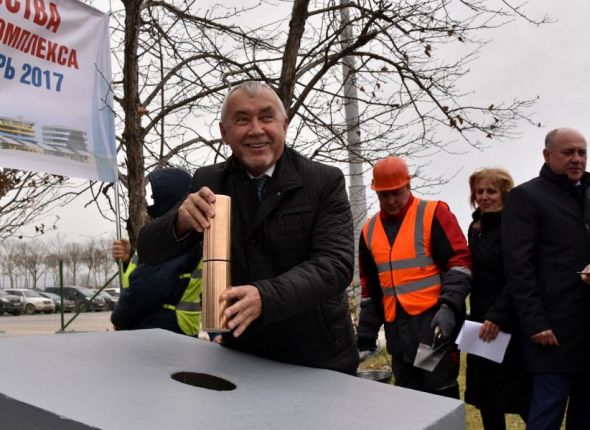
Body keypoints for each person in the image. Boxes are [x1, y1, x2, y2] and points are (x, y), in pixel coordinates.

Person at [136, 81, 358, 374]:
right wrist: (180, 222)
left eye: (266, 117)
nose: (256, 130)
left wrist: (265, 296)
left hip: (319, 358)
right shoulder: (209, 182)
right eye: (242, 120)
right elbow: (148, 250)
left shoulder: (323, 181)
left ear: (284, 125)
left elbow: (335, 265)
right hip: (242, 357)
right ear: (224, 133)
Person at [356, 156, 471, 398]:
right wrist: (366, 334)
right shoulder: (369, 230)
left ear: (408, 185)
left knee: (438, 393)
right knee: (409, 398)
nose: (391, 200)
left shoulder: (433, 213)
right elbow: (371, 288)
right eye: (384, 195)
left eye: (396, 193)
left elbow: (460, 264)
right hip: (398, 331)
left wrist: (449, 307)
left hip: (432, 327)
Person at [502, 127, 590, 429]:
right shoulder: (526, 197)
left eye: (582, 152)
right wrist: (536, 323)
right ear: (547, 155)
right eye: (568, 152)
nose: (577, 159)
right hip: (553, 333)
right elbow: (519, 267)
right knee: (546, 417)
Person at [464, 168, 530, 429]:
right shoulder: (474, 229)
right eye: (479, 191)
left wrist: (498, 316)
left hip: (512, 323)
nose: (484, 196)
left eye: (491, 191)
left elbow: (518, 276)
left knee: (523, 397)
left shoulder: (515, 227)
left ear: (504, 194)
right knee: (486, 399)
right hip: (481, 323)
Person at [111, 167, 203, 337]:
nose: (150, 205)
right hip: (178, 328)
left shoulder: (174, 237)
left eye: (155, 198)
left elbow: (146, 287)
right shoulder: (183, 234)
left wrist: (119, 318)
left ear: (168, 197)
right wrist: (128, 259)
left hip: (161, 329)